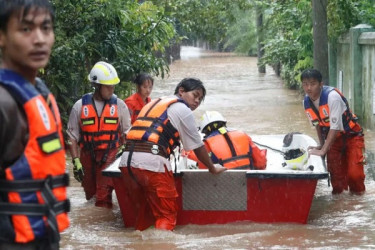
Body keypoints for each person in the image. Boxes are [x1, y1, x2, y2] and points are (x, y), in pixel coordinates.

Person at [0, 0, 70, 248]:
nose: (39, 39)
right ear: (2, 36)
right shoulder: (4, 103)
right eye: (26, 29)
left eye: (46, 28)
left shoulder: (40, 94)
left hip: (42, 238)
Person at [119, 78, 227, 231]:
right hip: (152, 164)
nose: (197, 101)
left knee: (145, 213)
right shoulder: (184, 110)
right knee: (166, 215)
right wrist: (212, 168)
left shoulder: (153, 103)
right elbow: (198, 147)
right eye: (195, 95)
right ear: (181, 91)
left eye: (200, 99)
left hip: (126, 163)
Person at [67, 61, 131, 209]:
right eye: (108, 86)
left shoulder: (120, 106)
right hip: (87, 155)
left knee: (103, 198)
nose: (112, 89)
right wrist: (76, 161)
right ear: (97, 85)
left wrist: (124, 149)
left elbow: (128, 132)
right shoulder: (79, 106)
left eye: (113, 86)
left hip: (110, 154)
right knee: (90, 196)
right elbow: (72, 136)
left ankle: (103, 224)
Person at [301, 69, 365, 195]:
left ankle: (358, 204)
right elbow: (317, 125)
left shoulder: (332, 97)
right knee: (336, 181)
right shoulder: (306, 102)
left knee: (355, 176)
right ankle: (339, 207)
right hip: (333, 140)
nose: (308, 88)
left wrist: (323, 150)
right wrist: (321, 144)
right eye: (305, 84)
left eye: (312, 84)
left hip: (352, 136)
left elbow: (335, 127)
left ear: (321, 84)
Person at [186, 111, 267, 170]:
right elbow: (261, 163)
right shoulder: (243, 135)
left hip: (223, 183)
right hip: (247, 180)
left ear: (204, 130)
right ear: (224, 123)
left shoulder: (206, 144)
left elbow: (204, 170)